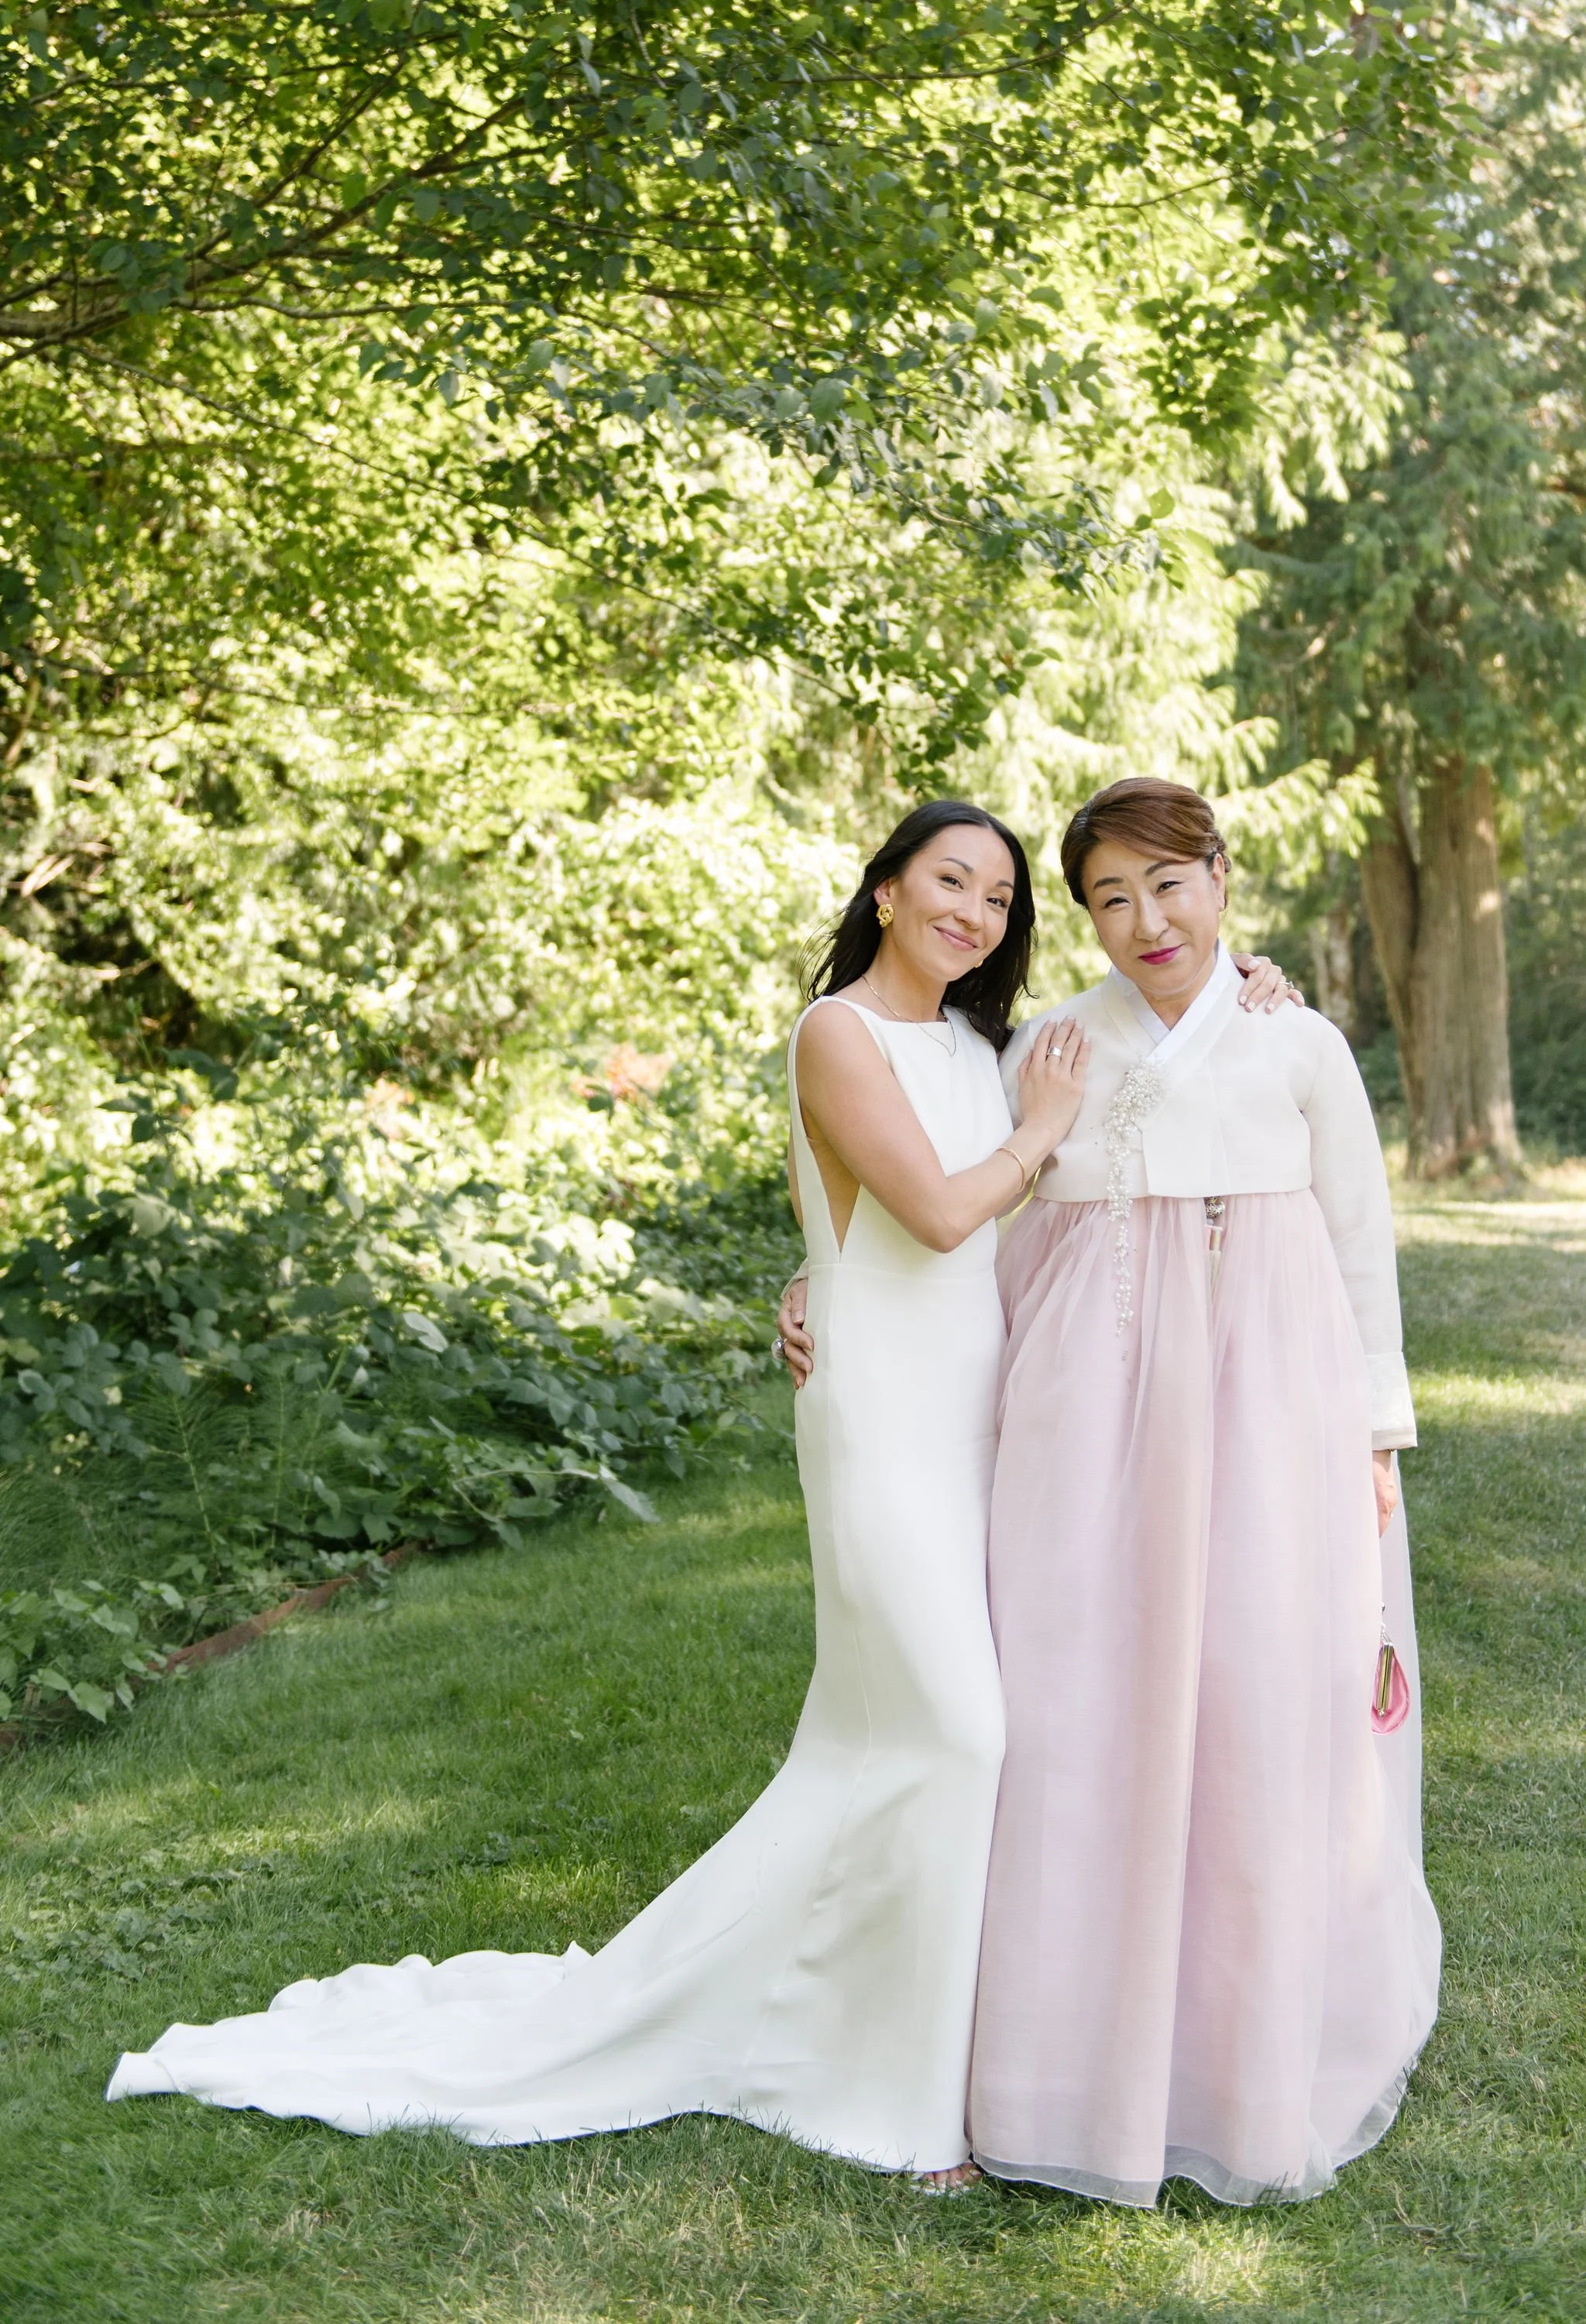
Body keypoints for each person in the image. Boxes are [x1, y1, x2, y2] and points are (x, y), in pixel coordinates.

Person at [106, 800, 1089, 2188]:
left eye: (998, 898)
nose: (978, 915)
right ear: (885, 890)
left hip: (976, 1407)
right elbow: (933, 1210)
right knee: (962, 1735)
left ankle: (858, 2033)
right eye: (951, 882)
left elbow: (991, 1174)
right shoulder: (836, 1034)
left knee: (891, 1752)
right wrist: (1029, 1137)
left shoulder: (980, 1046)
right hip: (880, 1421)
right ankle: (911, 2120)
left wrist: (1246, 989)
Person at [968, 777, 1440, 2207]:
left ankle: (1254, 2041)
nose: (1144, 920)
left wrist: (1372, 1435)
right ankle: (1068, 2055)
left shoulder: (1299, 1045)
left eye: (1168, 884)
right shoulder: (1056, 1050)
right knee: (1085, 1692)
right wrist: (825, 1283)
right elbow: (974, 1226)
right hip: (1094, 1406)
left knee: (1258, 1687)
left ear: (1220, 878)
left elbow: (1360, 1247)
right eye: (1109, 896)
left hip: (1272, 1398)